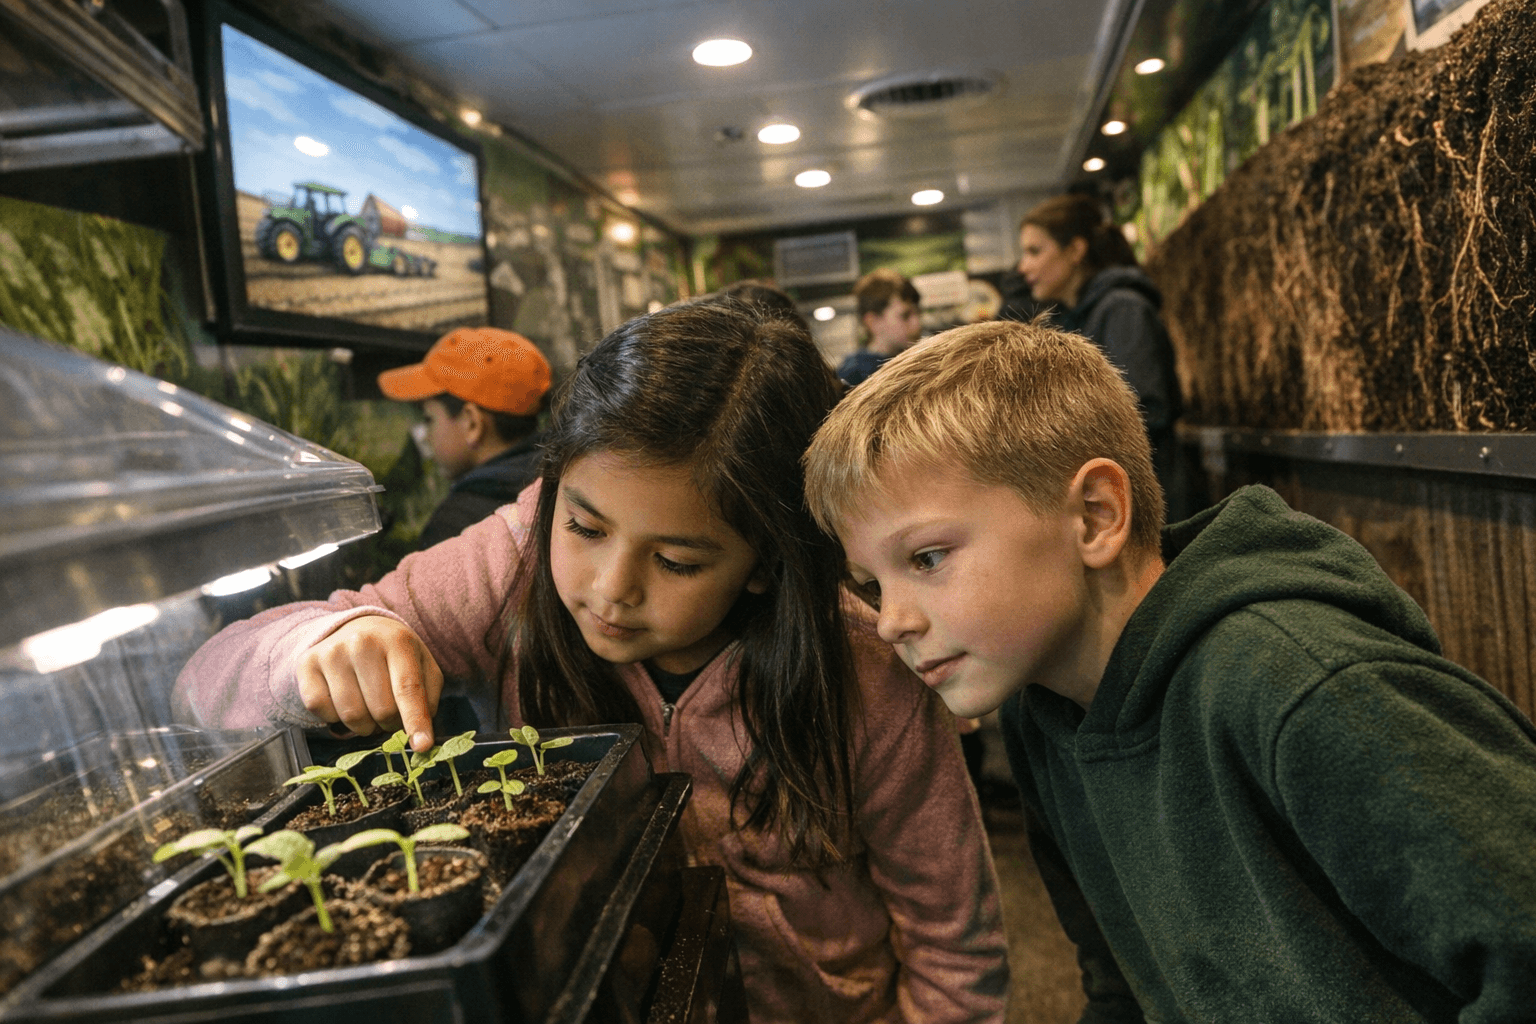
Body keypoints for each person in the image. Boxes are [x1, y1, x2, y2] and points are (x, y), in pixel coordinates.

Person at [173, 303, 1009, 1023]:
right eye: (584, 527)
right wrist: (316, 647)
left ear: (762, 561)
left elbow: (954, 942)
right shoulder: (512, 564)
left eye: (678, 562)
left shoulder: (860, 671)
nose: (611, 590)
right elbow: (206, 682)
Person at [801, 318, 1536, 1022]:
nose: (889, 619)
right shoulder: (1040, 715)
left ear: (1093, 515)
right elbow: (1122, 988)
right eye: (870, 585)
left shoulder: (1298, 684)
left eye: (926, 558)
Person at [1017, 193, 1203, 523]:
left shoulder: (1123, 309)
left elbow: (1144, 410)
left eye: (1035, 251)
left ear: (1075, 250)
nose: (1024, 266)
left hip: (1153, 504)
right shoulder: (1074, 318)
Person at [378, 327, 551, 552]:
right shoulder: (555, 485)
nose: (426, 435)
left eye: (429, 419)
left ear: (472, 424)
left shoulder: (456, 528)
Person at [836, 268, 922, 388]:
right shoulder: (854, 376)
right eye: (905, 316)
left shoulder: (915, 363)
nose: (917, 323)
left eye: (918, 313)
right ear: (872, 322)